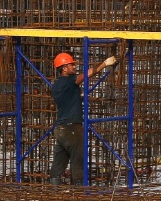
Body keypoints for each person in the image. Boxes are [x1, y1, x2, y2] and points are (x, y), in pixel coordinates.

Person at [50, 50, 118, 185]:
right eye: (71, 65)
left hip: (60, 129)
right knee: (78, 160)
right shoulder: (68, 81)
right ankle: (79, 190)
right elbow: (87, 75)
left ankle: (54, 190)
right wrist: (104, 63)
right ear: (64, 68)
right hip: (71, 129)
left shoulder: (57, 84)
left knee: (59, 160)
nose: (74, 67)